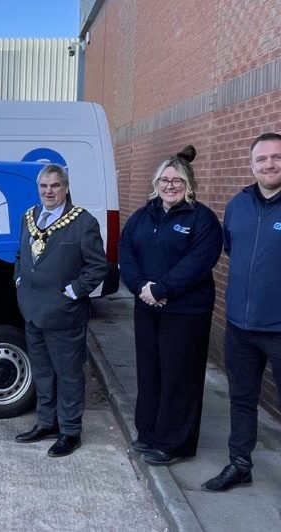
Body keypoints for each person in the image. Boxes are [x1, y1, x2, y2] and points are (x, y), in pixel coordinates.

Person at [119, 146, 222, 466]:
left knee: (179, 377)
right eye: (164, 180)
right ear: (156, 183)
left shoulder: (202, 219)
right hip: (147, 308)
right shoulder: (142, 216)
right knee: (150, 372)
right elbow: (126, 251)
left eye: (177, 181)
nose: (170, 186)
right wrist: (141, 288)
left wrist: (161, 289)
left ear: (188, 184)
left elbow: (198, 262)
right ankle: (149, 433)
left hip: (186, 312)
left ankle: (174, 444)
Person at [202, 132, 281, 491]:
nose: (269, 164)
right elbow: (234, 250)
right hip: (239, 327)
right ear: (251, 165)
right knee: (242, 400)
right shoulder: (238, 205)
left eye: (276, 157)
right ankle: (239, 464)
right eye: (261, 159)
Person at [13, 164, 107, 457]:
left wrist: (73, 292)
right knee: (42, 372)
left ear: (65, 188)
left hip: (65, 314)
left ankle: (70, 431)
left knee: (68, 375)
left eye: (55, 186)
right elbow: (20, 256)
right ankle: (46, 422)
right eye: (44, 186)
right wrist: (19, 280)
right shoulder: (29, 217)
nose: (49, 191)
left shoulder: (83, 222)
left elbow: (97, 266)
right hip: (33, 311)